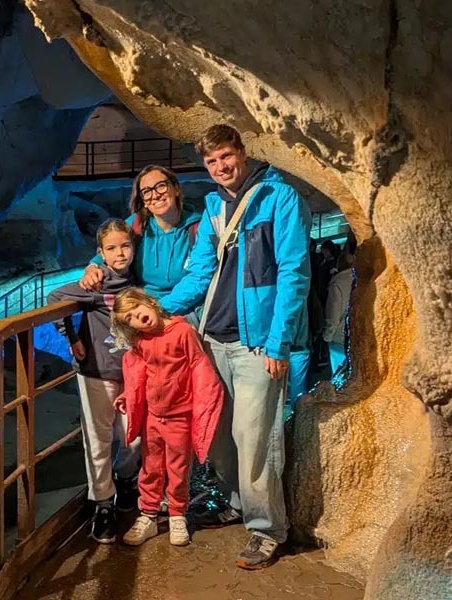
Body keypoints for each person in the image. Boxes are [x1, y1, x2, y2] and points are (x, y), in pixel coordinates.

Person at [158, 124, 312, 569]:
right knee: (219, 436)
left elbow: (294, 273)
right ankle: (237, 503)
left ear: (242, 153)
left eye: (226, 156)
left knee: (255, 438)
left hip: (257, 344)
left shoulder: (279, 198)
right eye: (211, 161)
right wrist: (160, 310)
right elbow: (201, 272)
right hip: (213, 339)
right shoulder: (212, 206)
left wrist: (279, 343)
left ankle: (267, 529)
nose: (221, 166)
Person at [46, 218, 142, 544]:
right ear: (101, 252)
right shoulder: (95, 284)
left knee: (132, 436)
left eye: (125, 246)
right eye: (111, 248)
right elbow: (56, 297)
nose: (120, 253)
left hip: (132, 372)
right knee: (98, 440)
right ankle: (102, 503)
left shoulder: (140, 280)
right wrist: (71, 336)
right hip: (96, 370)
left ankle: (126, 477)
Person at [110, 288, 224, 547]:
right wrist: (128, 395)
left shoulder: (183, 332)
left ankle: (177, 515)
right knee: (150, 467)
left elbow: (199, 366)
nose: (137, 317)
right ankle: (148, 514)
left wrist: (203, 404)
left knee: (178, 468)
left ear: (149, 302)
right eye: (129, 319)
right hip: (152, 417)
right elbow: (138, 375)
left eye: (136, 309)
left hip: (179, 417)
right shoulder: (141, 342)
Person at [79, 165, 202, 324]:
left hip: (184, 310)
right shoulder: (137, 224)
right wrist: (92, 266)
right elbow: (111, 243)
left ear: (176, 188)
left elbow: (200, 278)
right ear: (143, 200)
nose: (155, 195)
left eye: (161, 186)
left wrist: (160, 309)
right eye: (147, 191)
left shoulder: (198, 227)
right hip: (142, 307)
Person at [323, 249, 355, 374]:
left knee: (341, 375)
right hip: (360, 334)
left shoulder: (337, 283)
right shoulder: (364, 278)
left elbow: (333, 313)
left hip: (340, 338)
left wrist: (328, 336)